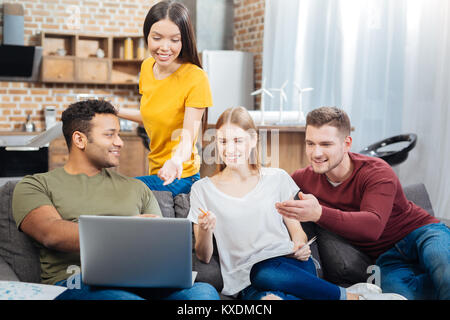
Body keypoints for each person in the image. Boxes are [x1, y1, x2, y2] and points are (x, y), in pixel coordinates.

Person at [188, 106, 405, 300]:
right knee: (266, 287)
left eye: (238, 140)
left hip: (291, 266)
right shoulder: (202, 190)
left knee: (267, 272)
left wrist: (299, 247)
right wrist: (206, 230)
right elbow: (203, 255)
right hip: (245, 280)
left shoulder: (277, 178)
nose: (230, 148)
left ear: (253, 140)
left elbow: (297, 233)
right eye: (223, 141)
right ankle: (349, 297)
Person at [12, 100, 219, 300]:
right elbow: (51, 234)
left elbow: (158, 246)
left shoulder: (137, 188)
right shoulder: (35, 185)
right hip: (78, 283)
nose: (119, 142)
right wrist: (130, 230)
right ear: (79, 140)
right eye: (110, 135)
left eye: (118, 134)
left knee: (203, 293)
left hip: (143, 281)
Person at [276, 106, 450, 300]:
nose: (316, 153)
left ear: (346, 144)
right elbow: (275, 193)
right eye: (310, 143)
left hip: (422, 232)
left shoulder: (377, 172)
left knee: (444, 269)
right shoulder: (303, 178)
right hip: (387, 257)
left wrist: (319, 213)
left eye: (326, 144)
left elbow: (372, 227)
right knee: (401, 297)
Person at [116, 0, 213, 195]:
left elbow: (188, 136)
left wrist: (176, 161)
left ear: (184, 40)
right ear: (147, 36)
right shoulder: (146, 68)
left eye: (174, 40)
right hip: (156, 171)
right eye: (157, 38)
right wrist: (115, 111)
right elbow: (153, 116)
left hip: (181, 176)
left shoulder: (195, 77)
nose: (164, 47)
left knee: (120, 191)